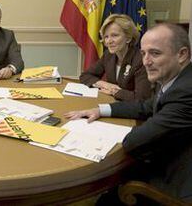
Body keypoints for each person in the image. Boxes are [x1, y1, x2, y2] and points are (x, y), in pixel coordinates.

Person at [65, 23, 192, 202]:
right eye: (143, 53)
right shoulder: (179, 79)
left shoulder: (186, 91)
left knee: (106, 199)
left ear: (182, 54)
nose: (146, 61)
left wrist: (100, 134)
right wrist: (101, 110)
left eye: (155, 53)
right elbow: (147, 106)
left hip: (173, 183)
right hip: (168, 159)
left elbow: (134, 142)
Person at [80, 14, 151, 101]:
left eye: (114, 35)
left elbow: (142, 98)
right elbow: (85, 75)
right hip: (112, 103)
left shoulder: (141, 60)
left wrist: (114, 91)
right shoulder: (108, 55)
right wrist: (104, 84)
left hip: (133, 110)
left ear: (128, 38)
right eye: (106, 37)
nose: (109, 41)